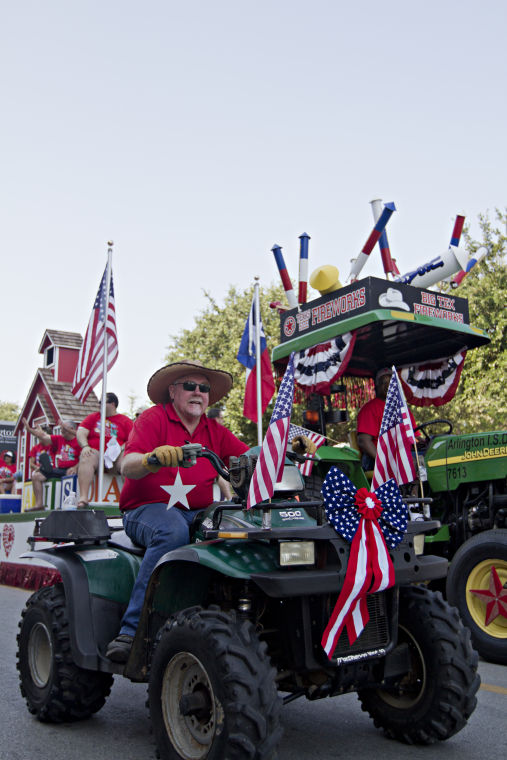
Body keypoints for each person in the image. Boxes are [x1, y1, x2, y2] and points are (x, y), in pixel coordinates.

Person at [106, 359, 249, 663]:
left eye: (204, 388)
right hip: (145, 510)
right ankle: (132, 631)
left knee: (241, 529)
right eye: (190, 386)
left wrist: (292, 450)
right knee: (172, 531)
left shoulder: (215, 430)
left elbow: (249, 456)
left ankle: (231, 621)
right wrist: (151, 459)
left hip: (198, 511)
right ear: (172, 391)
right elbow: (125, 466)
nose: (198, 392)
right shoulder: (152, 419)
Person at [76, 392, 134, 508]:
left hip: (116, 456)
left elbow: (133, 440)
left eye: (102, 402)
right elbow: (81, 432)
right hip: (96, 454)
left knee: (128, 462)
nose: (99, 405)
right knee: (87, 456)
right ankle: (83, 498)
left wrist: (122, 448)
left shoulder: (125, 421)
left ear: (112, 404)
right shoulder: (93, 417)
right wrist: (85, 446)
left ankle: (129, 499)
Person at [356, 368, 417, 471]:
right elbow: (364, 441)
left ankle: (418, 487)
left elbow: (414, 436)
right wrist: (385, 462)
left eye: (391, 382)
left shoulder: (403, 408)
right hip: (377, 458)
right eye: (383, 382)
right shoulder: (369, 409)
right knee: (411, 465)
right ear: (377, 386)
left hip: (401, 454)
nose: (387, 385)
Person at [22, 418, 80, 510]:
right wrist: (29, 430)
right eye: (61, 430)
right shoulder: (60, 439)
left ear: (71, 429)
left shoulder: (80, 440)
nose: (62, 432)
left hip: (74, 469)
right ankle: (39, 504)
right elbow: (43, 436)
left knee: (70, 474)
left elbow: (85, 457)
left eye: (64, 430)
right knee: (36, 476)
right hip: (60, 468)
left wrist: (76, 467)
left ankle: (66, 505)